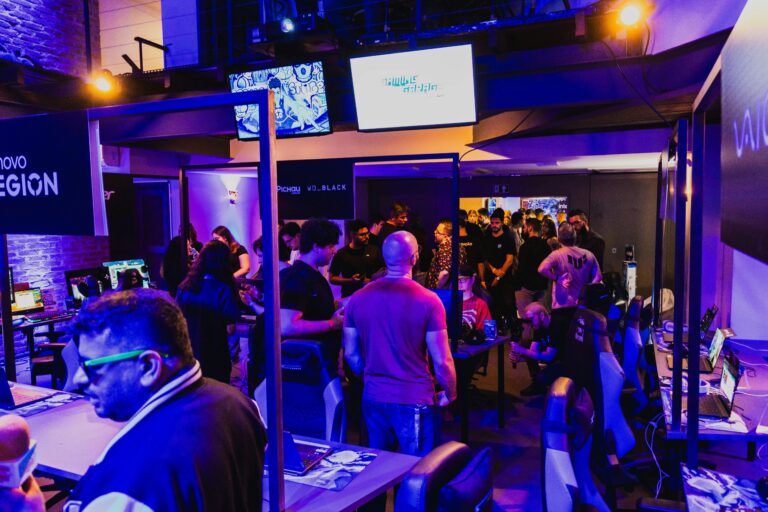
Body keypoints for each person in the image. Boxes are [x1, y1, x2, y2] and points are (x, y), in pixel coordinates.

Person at [2, 289, 267, 511]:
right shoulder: (241, 405)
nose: (80, 378)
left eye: (90, 365)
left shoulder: (125, 489)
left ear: (149, 367)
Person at [343, 230, 457, 457]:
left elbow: (351, 355)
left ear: (386, 258)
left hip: (373, 397)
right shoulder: (429, 300)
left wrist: (371, 378)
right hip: (415, 399)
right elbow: (442, 360)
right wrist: (451, 393)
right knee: (415, 478)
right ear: (414, 258)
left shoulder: (357, 298)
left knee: (375, 475)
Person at [538, 222, 602, 378]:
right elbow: (598, 278)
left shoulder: (557, 254)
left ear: (559, 238)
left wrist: (557, 278)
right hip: (580, 308)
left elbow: (541, 269)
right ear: (575, 237)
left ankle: (558, 383)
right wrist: (584, 288)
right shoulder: (589, 254)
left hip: (561, 308)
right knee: (576, 347)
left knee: (557, 349)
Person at [280, 218, 345, 370]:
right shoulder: (298, 278)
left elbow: (312, 308)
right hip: (307, 367)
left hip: (316, 363)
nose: (334, 251)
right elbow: (287, 325)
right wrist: (332, 324)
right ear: (316, 247)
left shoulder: (310, 275)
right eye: (331, 246)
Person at [176, 241, 240, 383]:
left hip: (188, 355)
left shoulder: (184, 287)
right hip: (216, 356)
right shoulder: (223, 290)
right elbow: (231, 329)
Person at [514, 218, 552, 394]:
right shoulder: (545, 246)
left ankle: (525, 356)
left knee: (527, 326)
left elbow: (521, 269)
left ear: (529, 228)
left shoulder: (525, 247)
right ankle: (538, 361)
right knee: (541, 325)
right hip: (541, 288)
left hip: (526, 288)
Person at [479, 208, 517, 324]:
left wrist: (499, 275)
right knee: (491, 304)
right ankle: (494, 328)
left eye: (497, 223)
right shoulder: (486, 238)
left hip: (505, 278)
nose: (494, 225)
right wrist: (493, 270)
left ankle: (510, 329)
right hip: (490, 276)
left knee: (507, 304)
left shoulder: (508, 238)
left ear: (502, 223)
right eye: (492, 223)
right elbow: (483, 258)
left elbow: (510, 259)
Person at [329, 219, 383, 297]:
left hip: (372, 295)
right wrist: (350, 280)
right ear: (352, 235)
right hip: (350, 297)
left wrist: (372, 280)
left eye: (367, 233)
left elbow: (383, 270)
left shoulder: (374, 250)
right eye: (362, 235)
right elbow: (332, 278)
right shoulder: (341, 253)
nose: (367, 237)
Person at [160, 224, 202, 297]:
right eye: (187, 245)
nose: (190, 248)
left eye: (190, 244)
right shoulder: (179, 272)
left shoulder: (198, 246)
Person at [425, 219, 466, 289]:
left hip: (441, 293)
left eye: (437, 232)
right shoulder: (458, 246)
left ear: (446, 236)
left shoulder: (445, 250)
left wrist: (437, 290)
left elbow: (444, 273)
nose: (434, 232)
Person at [458, 264, 493, 330]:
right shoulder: (449, 302)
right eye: (456, 280)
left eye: (463, 279)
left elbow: (486, 332)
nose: (459, 283)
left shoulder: (480, 304)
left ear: (472, 279)